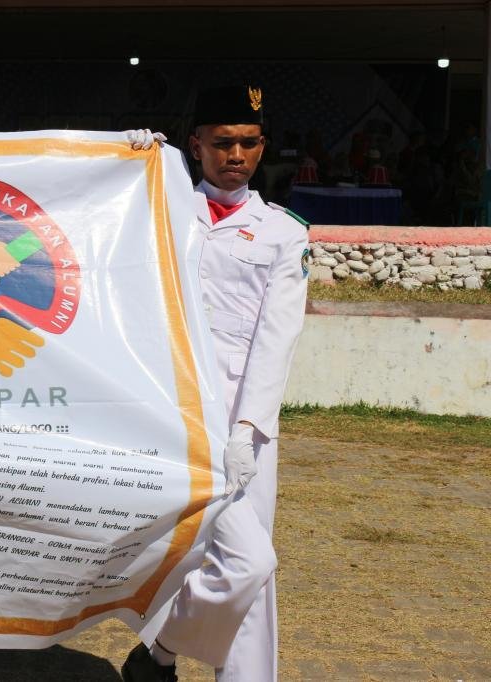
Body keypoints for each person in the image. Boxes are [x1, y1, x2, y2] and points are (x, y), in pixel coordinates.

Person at [124, 85, 309, 682]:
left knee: (251, 568)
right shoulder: (164, 204)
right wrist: (122, 159)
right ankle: (159, 654)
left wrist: (248, 428)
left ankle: (163, 654)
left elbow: (276, 340)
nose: (236, 155)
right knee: (208, 555)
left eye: (249, 142)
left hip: (237, 422)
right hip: (166, 411)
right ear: (195, 145)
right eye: (223, 142)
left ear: (263, 147)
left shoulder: (283, 233)